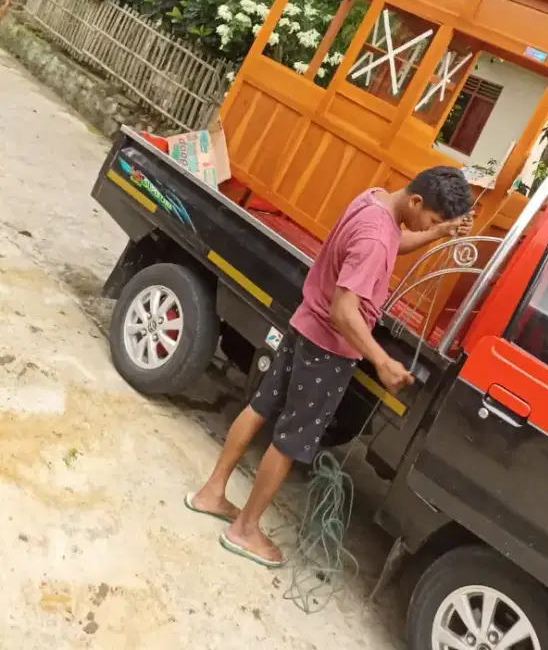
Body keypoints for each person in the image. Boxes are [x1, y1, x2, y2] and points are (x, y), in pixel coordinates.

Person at [187, 166, 473, 566]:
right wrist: (382, 360)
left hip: (305, 323)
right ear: (417, 202)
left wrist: (436, 234)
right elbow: (344, 311)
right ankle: (244, 530)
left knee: (260, 406)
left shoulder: (376, 201)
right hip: (327, 347)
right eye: (434, 219)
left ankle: (211, 493)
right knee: (289, 442)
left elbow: (399, 240)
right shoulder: (376, 237)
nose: (432, 225)